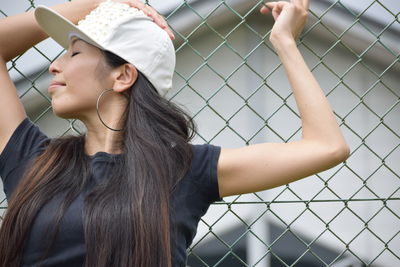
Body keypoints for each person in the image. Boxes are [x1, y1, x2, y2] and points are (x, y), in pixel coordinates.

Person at [0, 0, 349, 266]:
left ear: (122, 76)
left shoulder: (183, 169)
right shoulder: (34, 159)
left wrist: (285, 41)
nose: (54, 64)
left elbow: (326, 147)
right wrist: (98, 4)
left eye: (74, 52)